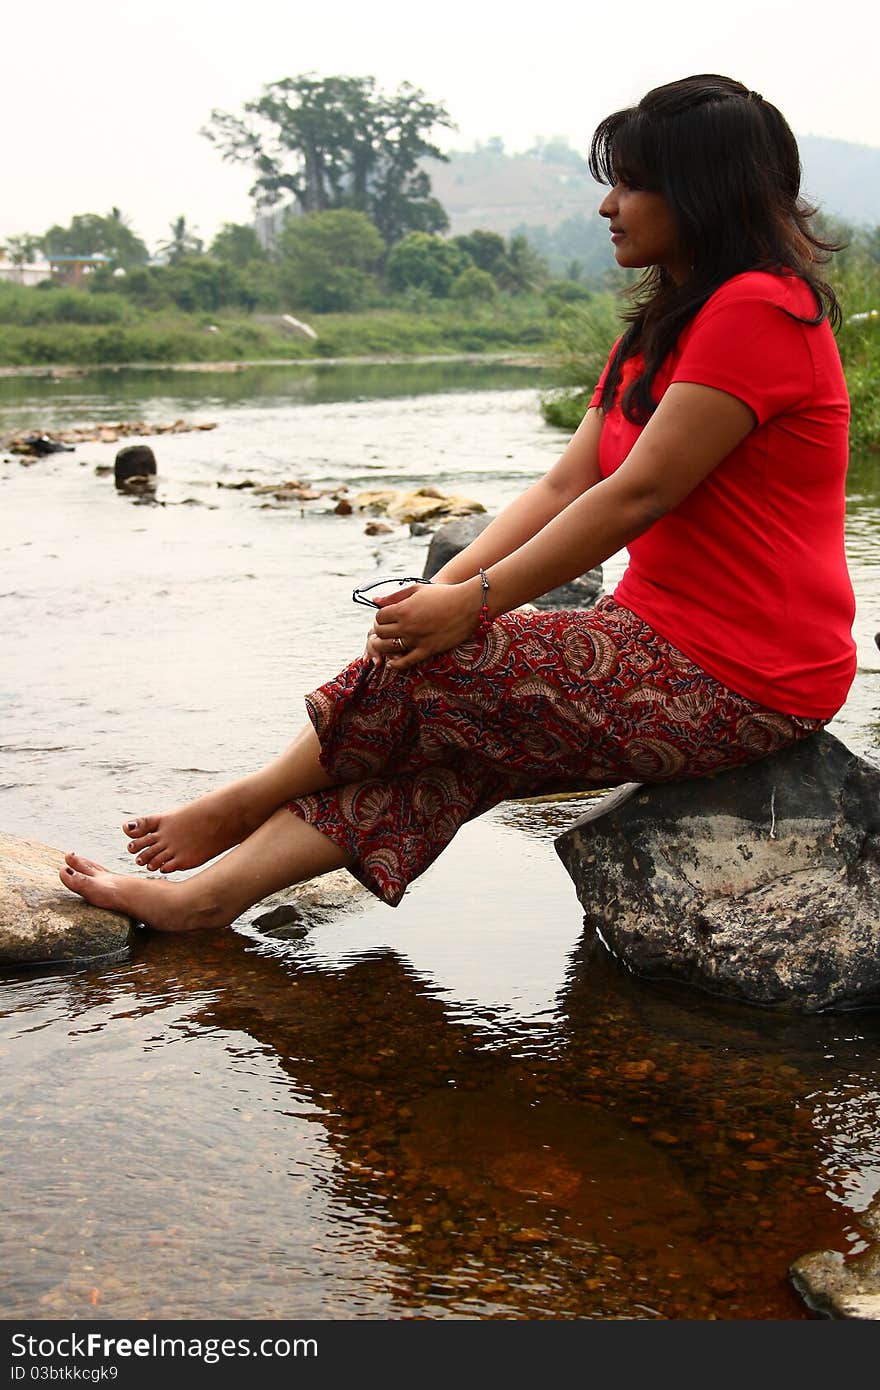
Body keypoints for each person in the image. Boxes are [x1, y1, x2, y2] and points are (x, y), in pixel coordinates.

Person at [60, 74, 857, 933]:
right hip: (656, 637)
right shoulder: (659, 329)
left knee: (452, 672)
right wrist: (431, 599)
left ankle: (242, 799)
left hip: (749, 673)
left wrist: (469, 608)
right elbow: (565, 483)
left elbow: (642, 490)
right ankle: (207, 901)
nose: (608, 207)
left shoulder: (762, 309)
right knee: (459, 748)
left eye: (632, 183)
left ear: (704, 191)